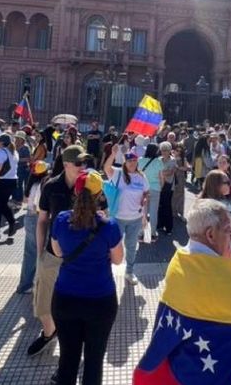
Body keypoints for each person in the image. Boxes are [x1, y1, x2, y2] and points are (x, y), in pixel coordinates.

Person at [50, 169, 123, 385]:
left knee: (68, 359)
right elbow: (118, 260)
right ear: (100, 195)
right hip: (100, 300)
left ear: (76, 192)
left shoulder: (62, 220)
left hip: (65, 298)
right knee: (94, 361)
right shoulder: (109, 226)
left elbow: (58, 252)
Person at [28, 145, 88, 359]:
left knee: (77, 307)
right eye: (79, 163)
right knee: (43, 304)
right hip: (52, 255)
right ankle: (49, 332)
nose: (84, 167)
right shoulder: (51, 186)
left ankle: (74, 348)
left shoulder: (91, 185)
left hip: (81, 258)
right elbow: (42, 220)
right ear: (66, 164)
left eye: (85, 162)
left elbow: (103, 216)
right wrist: (40, 254)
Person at [104, 146, 149, 285]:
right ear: (125, 162)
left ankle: (129, 272)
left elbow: (146, 192)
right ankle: (107, 272)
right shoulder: (118, 174)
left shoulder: (141, 177)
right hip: (117, 218)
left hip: (135, 218)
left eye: (134, 161)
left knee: (131, 246)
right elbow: (106, 167)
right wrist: (112, 154)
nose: (132, 163)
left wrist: (145, 210)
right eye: (129, 161)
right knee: (112, 246)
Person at [200, 169, 231, 258]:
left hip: (207, 253)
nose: (230, 184)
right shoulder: (226, 205)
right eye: (226, 182)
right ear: (216, 185)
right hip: (227, 251)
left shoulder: (201, 205)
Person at [17, 160, 50, 295]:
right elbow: (39, 207)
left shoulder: (31, 184)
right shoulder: (42, 186)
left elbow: (25, 201)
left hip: (29, 217)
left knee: (30, 252)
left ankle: (25, 284)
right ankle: (32, 284)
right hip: (38, 219)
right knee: (39, 251)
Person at [138, 143, 164, 237]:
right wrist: (161, 187)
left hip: (142, 189)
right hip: (155, 188)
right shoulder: (158, 162)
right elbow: (161, 177)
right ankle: (153, 232)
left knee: (143, 211)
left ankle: (141, 232)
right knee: (154, 212)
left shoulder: (140, 160)